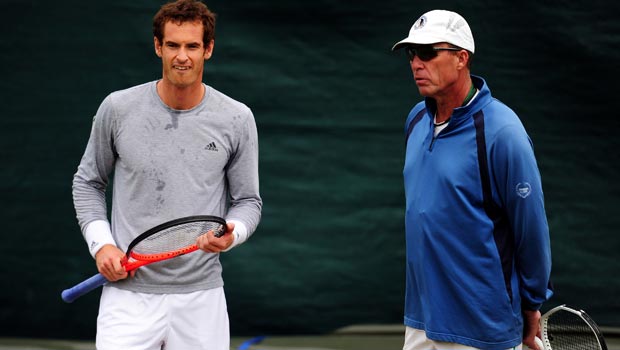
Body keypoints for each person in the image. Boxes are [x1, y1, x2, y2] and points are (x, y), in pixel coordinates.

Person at [72, 0, 262, 349]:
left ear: (208, 49)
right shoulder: (117, 108)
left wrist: (232, 234)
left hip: (201, 297)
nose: (182, 56)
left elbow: (248, 201)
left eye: (192, 46)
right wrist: (102, 246)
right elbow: (88, 182)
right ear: (158, 46)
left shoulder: (237, 117)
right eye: (173, 45)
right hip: (128, 297)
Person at [392, 9, 553, 350]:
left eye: (428, 53)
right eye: (411, 54)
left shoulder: (503, 132)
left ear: (462, 58)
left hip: (484, 328)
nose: (416, 63)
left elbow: (531, 228)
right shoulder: (416, 119)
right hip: (421, 321)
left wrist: (532, 303)